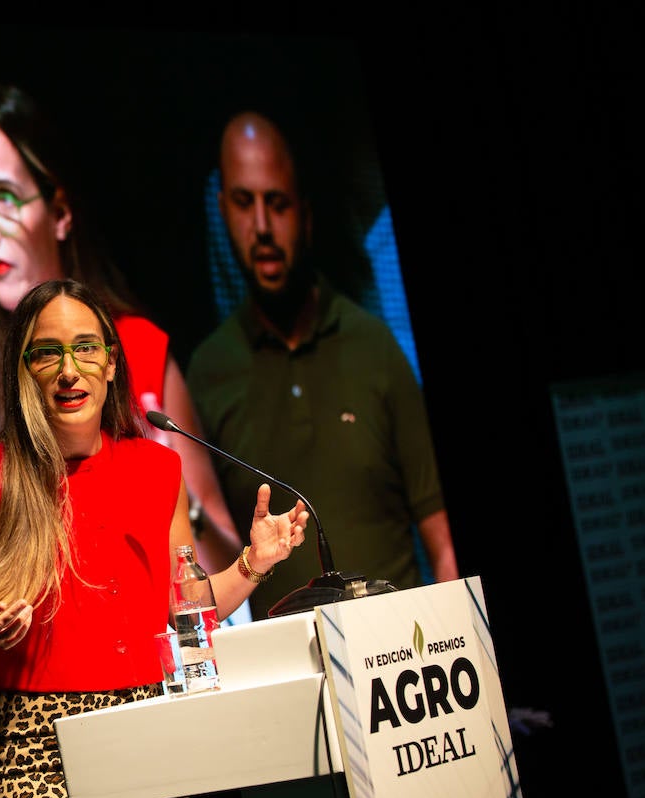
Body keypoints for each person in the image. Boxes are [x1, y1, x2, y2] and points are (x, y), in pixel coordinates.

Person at [0, 279, 309, 798]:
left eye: (86, 348)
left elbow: (186, 608)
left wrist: (253, 565)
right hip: (40, 742)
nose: (69, 371)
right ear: (21, 369)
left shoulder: (157, 467)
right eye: (46, 352)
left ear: (112, 362)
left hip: (148, 722)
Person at [0, 83, 243, 575]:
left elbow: (222, 575)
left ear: (59, 213)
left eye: (4, 198)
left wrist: (179, 498)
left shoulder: (138, 348)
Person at [187, 110, 457, 619]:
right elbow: (219, 569)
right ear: (222, 210)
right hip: (287, 678)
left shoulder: (373, 345)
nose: (262, 226)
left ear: (306, 214)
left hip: (401, 662)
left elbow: (441, 536)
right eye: (245, 203)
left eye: (278, 203)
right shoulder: (208, 372)